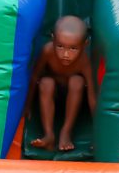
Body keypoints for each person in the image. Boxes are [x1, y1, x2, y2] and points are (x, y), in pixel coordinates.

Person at [26, 16, 97, 152]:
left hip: (74, 99)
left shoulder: (84, 61)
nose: (65, 54)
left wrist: (98, 132)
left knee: (77, 81)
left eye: (73, 49)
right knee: (46, 82)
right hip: (53, 95)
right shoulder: (47, 51)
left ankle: (66, 131)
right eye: (60, 46)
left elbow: (92, 96)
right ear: (52, 38)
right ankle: (49, 135)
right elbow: (34, 77)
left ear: (85, 44)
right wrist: (27, 105)